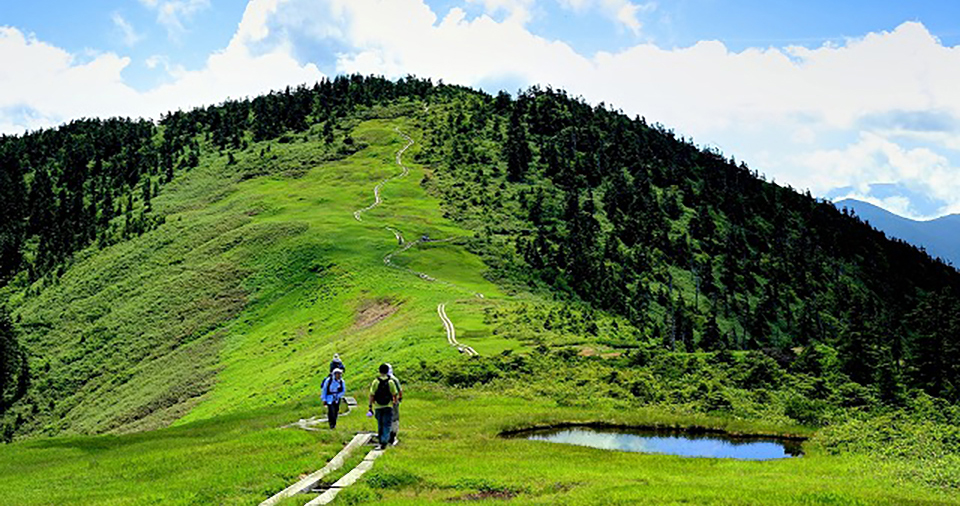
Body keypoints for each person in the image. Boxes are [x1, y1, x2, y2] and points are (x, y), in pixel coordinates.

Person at [368, 363, 399, 450]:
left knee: (380, 423)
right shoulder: (390, 382)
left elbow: (371, 394)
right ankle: (385, 440)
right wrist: (394, 402)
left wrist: (370, 406)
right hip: (388, 406)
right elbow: (394, 394)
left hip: (378, 406)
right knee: (387, 424)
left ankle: (381, 440)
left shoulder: (375, 382)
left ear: (379, 371)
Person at [386, 363, 403, 445]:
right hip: (393, 401)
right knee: (394, 417)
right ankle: (393, 433)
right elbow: (400, 390)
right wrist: (400, 398)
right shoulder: (394, 379)